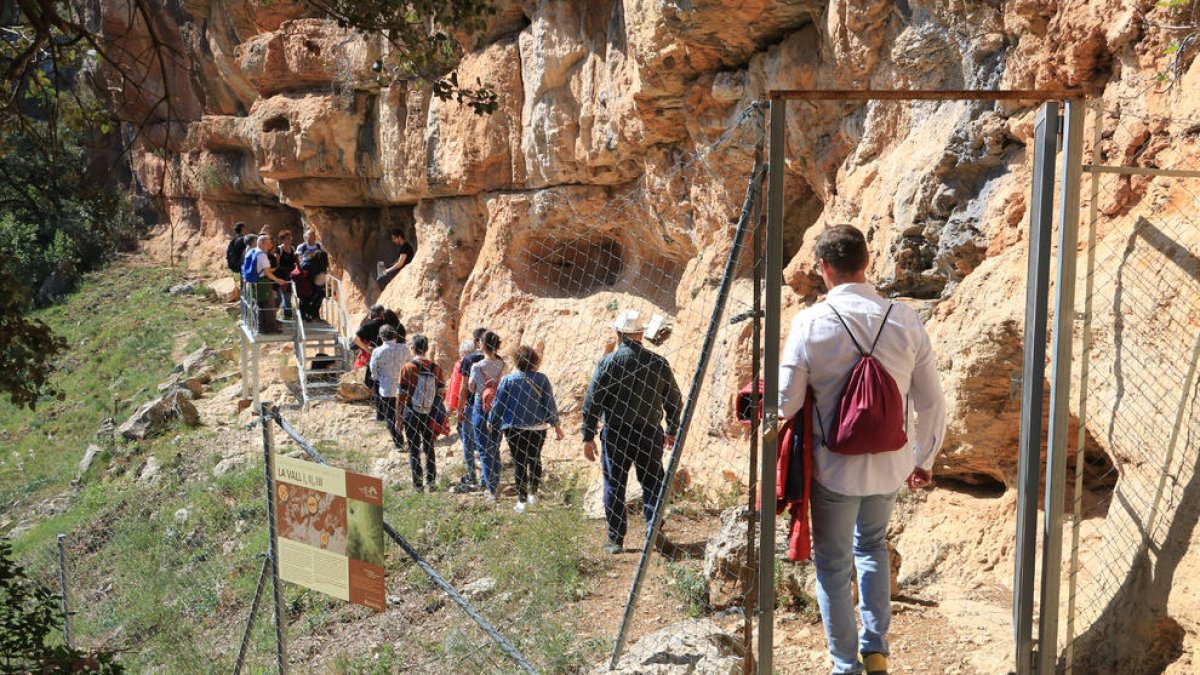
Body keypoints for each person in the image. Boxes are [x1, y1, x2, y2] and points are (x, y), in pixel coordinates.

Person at [778, 225, 946, 675]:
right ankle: (877, 651)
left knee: (833, 566)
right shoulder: (905, 319)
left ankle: (844, 665)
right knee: (871, 545)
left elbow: (786, 402)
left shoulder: (810, 323)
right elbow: (931, 400)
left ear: (824, 269)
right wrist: (923, 459)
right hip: (891, 465)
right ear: (868, 262)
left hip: (835, 468)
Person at [581, 310, 683, 554]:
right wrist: (671, 429)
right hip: (649, 432)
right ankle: (653, 524)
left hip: (616, 433)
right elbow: (674, 399)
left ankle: (615, 539)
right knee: (652, 482)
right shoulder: (658, 363)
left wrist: (587, 435)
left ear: (618, 334)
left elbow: (593, 400)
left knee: (615, 484)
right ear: (640, 334)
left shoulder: (608, 363)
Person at [488, 345, 563, 514]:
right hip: (537, 426)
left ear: (516, 361)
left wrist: (492, 420)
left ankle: (521, 500)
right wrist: (556, 425)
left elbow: (499, 403)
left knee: (519, 462)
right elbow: (549, 403)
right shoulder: (542, 379)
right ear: (534, 361)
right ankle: (533, 495)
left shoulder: (507, 380)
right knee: (535, 459)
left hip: (514, 427)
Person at [397, 335, 446, 492]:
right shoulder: (436, 368)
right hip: (429, 412)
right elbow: (441, 392)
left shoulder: (407, 368)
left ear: (413, 348)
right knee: (429, 446)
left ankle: (418, 485)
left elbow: (401, 395)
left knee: (413, 448)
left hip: (411, 411)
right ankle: (431, 481)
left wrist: (398, 418)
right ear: (426, 349)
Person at [468, 330, 506, 501]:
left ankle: (491, 489)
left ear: (481, 345)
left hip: (480, 407)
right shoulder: (503, 365)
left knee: (483, 449)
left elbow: (471, 387)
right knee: (495, 447)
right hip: (498, 408)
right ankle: (496, 483)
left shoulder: (477, 367)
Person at [451, 327, 489, 493]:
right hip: (490, 406)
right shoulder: (499, 361)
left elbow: (463, 387)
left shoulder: (470, 360)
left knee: (468, 441)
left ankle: (471, 474)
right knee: (485, 443)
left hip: (473, 404)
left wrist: (459, 409)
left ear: (477, 342)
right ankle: (485, 478)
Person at [369, 325, 411, 455]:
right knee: (406, 414)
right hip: (403, 386)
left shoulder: (378, 351)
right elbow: (409, 364)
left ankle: (398, 442)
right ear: (395, 335)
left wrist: (376, 378)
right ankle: (411, 440)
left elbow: (373, 368)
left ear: (381, 337)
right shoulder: (404, 349)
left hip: (386, 388)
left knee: (391, 417)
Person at [242, 233, 287, 333]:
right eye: (268, 243)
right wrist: (277, 280)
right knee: (268, 305)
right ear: (261, 243)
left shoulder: (252, 251)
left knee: (260, 305)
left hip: (254, 282)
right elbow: (266, 271)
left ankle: (261, 328)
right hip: (262, 282)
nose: (270, 246)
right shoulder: (262, 255)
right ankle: (271, 328)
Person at [354, 305, 390, 420]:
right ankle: (389, 413)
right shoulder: (388, 324)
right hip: (390, 357)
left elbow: (355, 339)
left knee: (373, 384)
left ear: (372, 313)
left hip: (376, 358)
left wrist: (366, 348)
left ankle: (380, 415)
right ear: (382, 314)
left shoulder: (368, 325)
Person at [275, 230, 298, 320]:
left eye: (290, 238)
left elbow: (295, 261)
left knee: (289, 295)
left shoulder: (292, 248)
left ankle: (286, 315)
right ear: (282, 240)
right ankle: (287, 315)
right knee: (285, 296)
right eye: (287, 238)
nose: (289, 240)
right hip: (282, 276)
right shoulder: (279, 249)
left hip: (291, 276)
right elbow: (277, 263)